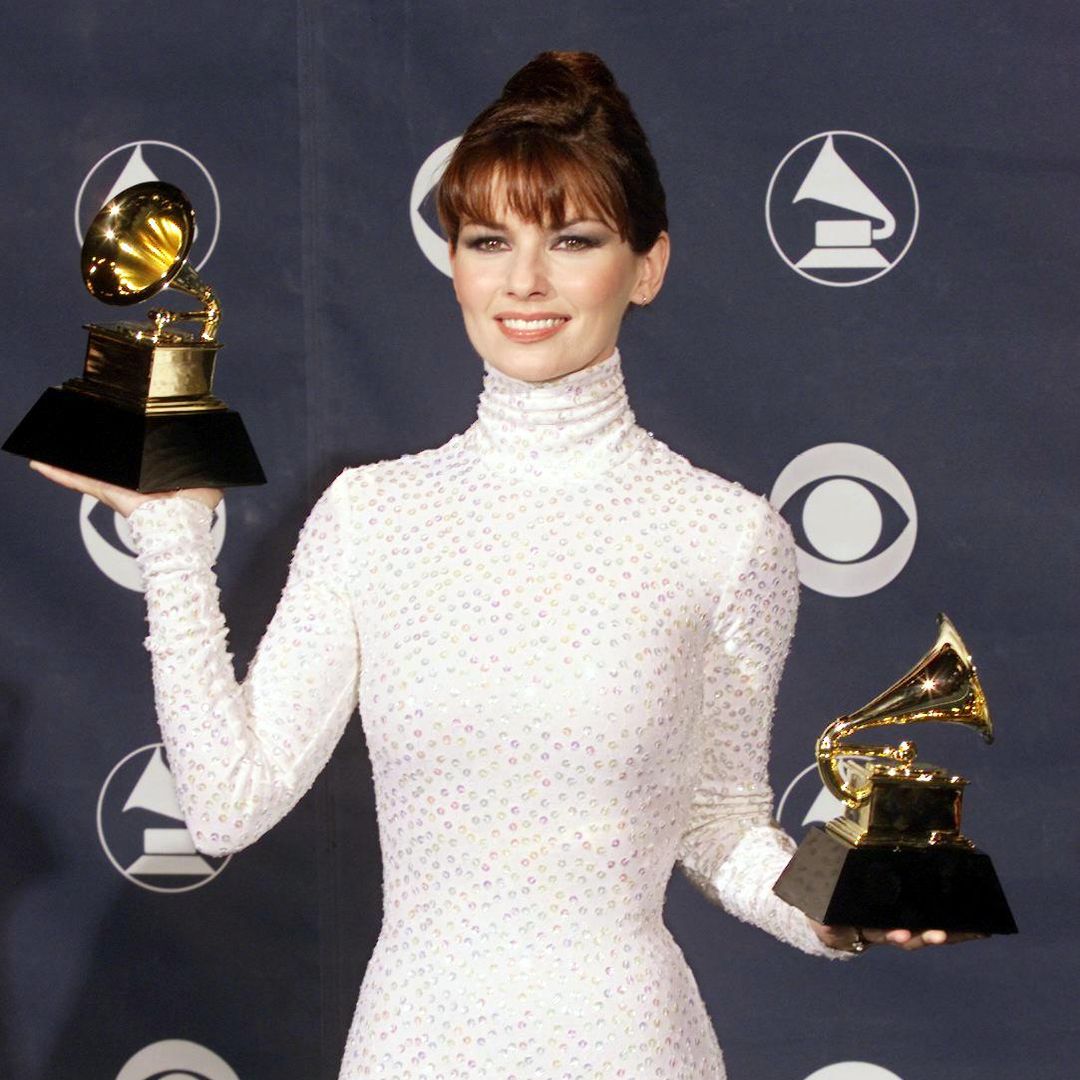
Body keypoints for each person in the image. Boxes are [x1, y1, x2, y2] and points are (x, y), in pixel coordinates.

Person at [33, 51, 973, 1080]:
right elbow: (225, 803)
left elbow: (718, 825)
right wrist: (171, 536)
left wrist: (844, 907)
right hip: (417, 1046)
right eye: (489, 240)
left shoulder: (728, 536)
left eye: (573, 240)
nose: (524, 281)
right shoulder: (372, 519)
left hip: (631, 1050)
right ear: (455, 262)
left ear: (647, 265)